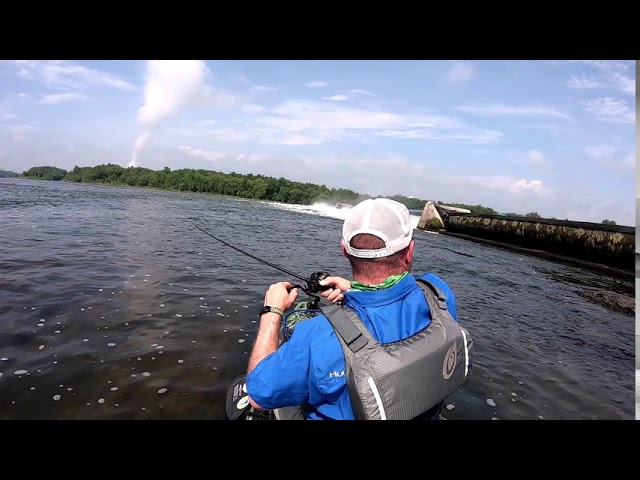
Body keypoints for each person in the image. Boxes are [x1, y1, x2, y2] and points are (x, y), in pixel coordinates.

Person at [245, 197, 462, 420]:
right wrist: (353, 289)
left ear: (344, 250)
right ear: (409, 251)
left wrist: (272, 311)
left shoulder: (318, 336)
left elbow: (257, 395)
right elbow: (398, 301)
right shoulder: (439, 295)